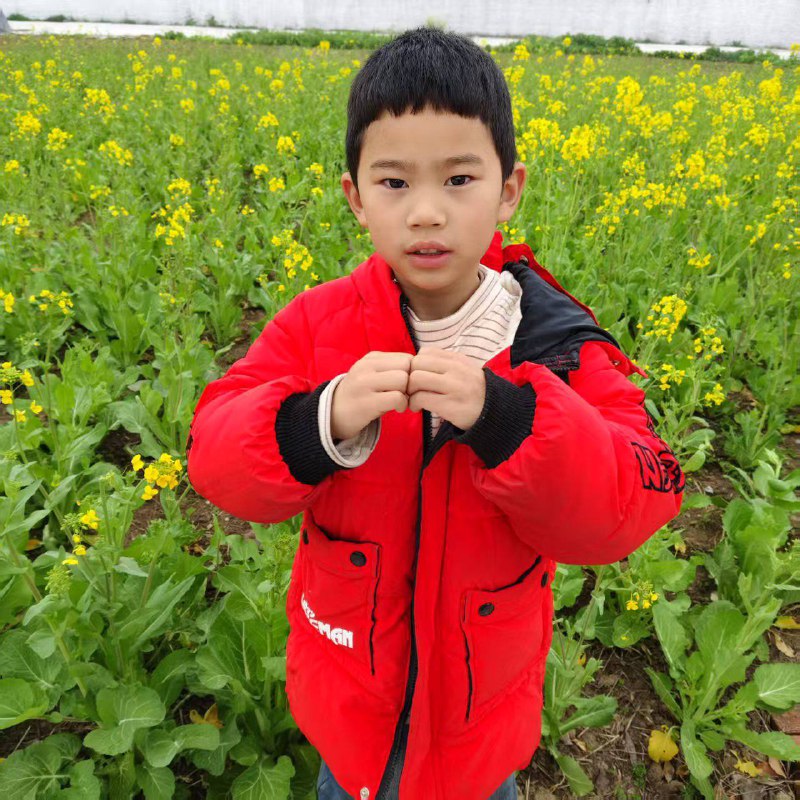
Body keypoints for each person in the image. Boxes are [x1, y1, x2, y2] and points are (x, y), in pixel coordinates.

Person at [186, 25, 685, 800]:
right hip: (352, 702)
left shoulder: (552, 343)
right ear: (355, 197)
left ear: (509, 189)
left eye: (458, 179)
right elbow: (213, 454)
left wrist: (511, 422)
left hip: (480, 718)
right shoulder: (319, 326)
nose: (426, 212)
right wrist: (318, 420)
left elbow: (638, 497)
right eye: (394, 183)